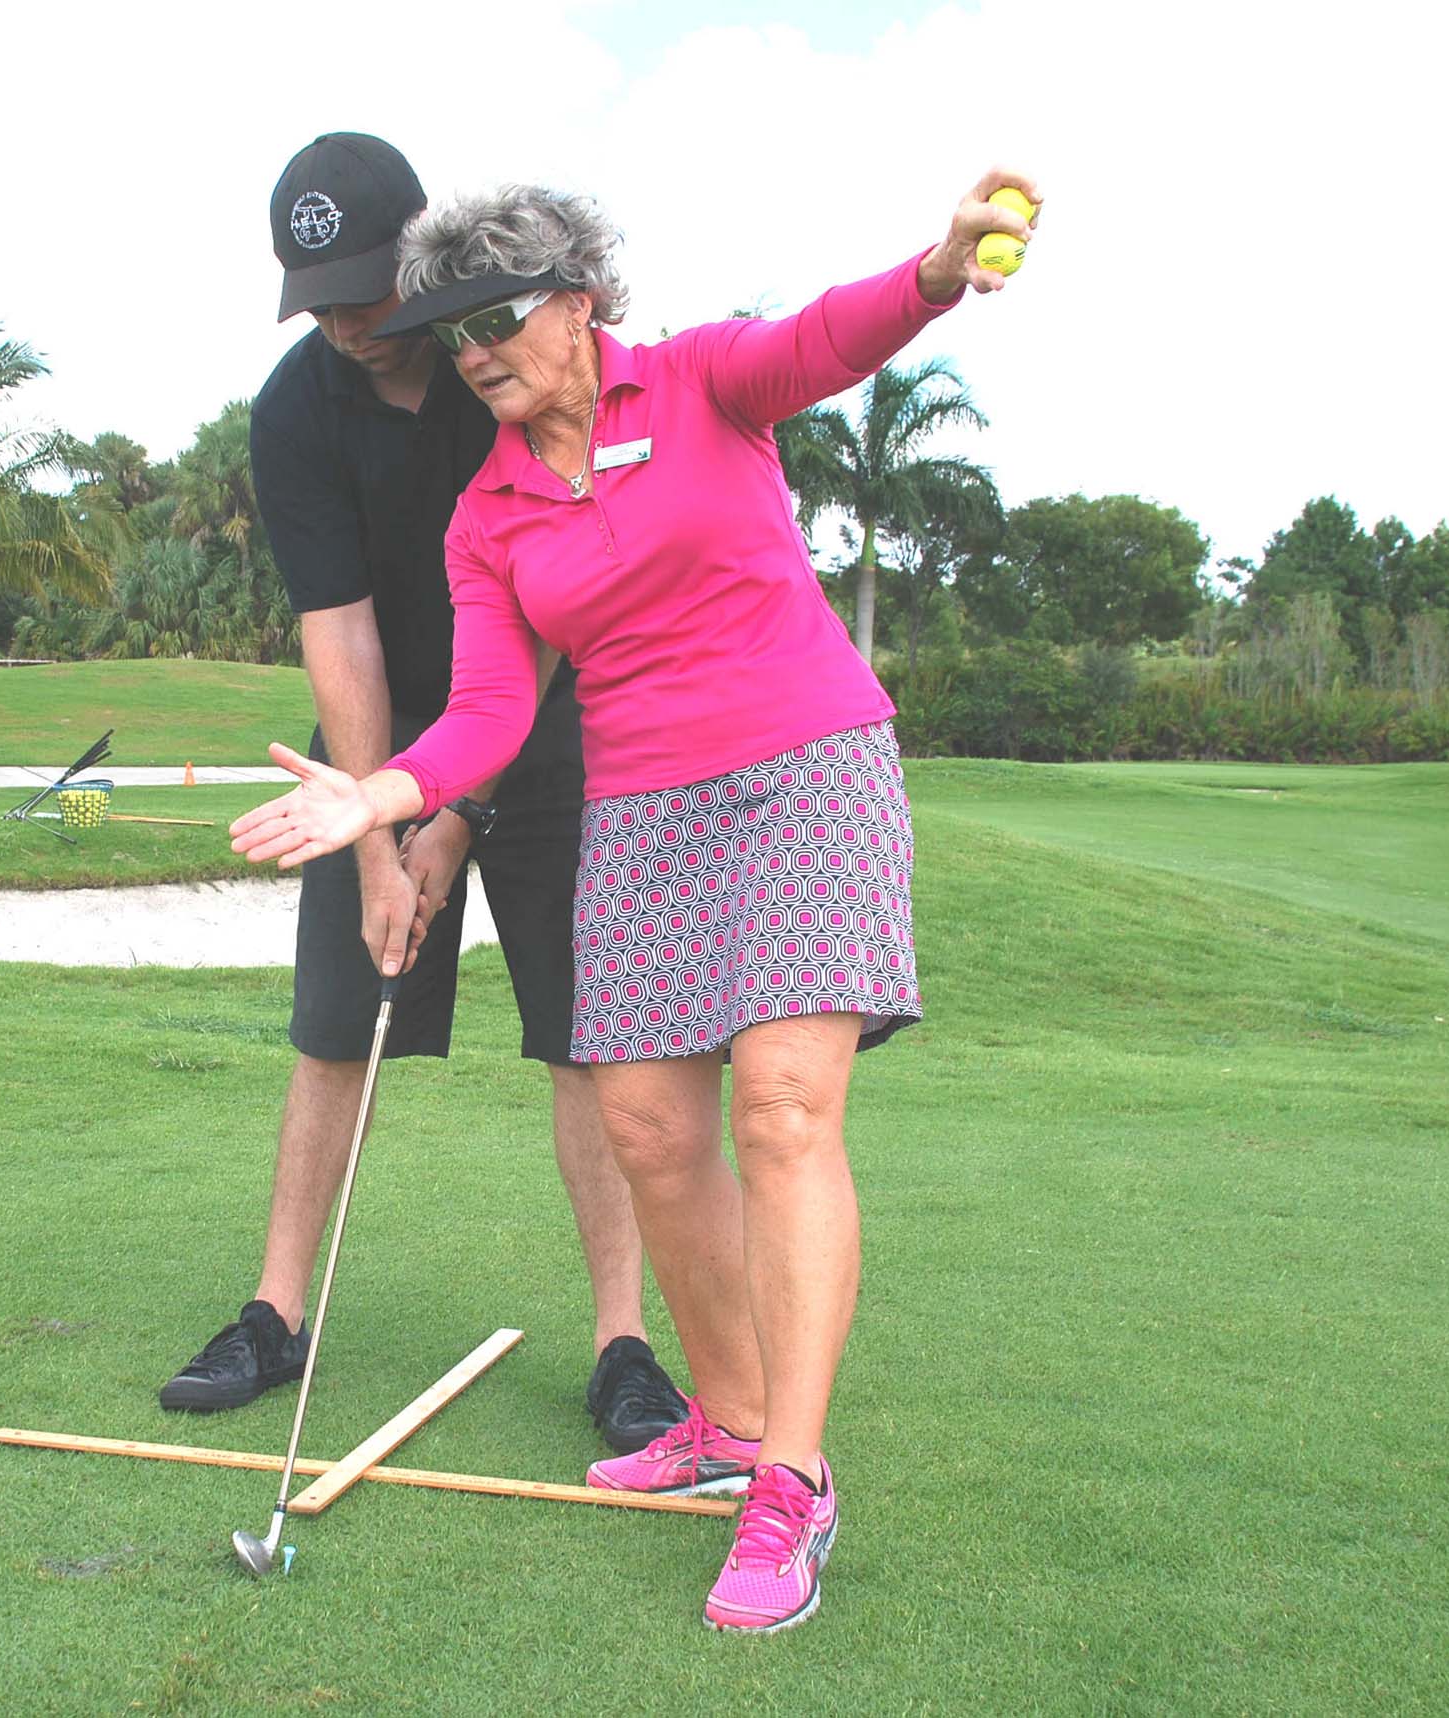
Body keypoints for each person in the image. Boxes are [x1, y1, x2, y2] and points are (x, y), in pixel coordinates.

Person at [228, 170, 1039, 1632]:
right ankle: (727, 1419)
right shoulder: (488, 512)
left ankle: (790, 1477)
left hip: (805, 769)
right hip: (643, 806)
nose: (474, 352)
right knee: (652, 1131)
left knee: (783, 1106)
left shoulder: (704, 382)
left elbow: (829, 339)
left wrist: (933, 273)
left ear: (583, 299)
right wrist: (384, 794)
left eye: (498, 318)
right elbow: (485, 710)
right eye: (452, 331)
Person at [159, 134, 687, 1457]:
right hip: (377, 743)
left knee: (589, 1036)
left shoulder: (498, 372)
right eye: (317, 296)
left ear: (420, 257)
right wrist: (381, 836)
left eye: (361, 288)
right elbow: (342, 635)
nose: (343, 322)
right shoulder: (296, 410)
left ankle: (624, 1342)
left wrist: (459, 815)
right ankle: (277, 1312)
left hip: (560, 729)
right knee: (339, 1019)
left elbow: (551, 616)